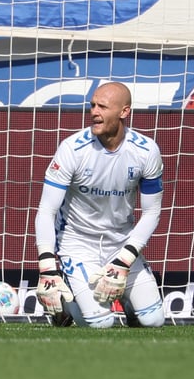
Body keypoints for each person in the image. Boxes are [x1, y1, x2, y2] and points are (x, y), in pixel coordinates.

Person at [34, 81, 166, 328]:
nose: (94, 112)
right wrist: (47, 267)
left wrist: (124, 261)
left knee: (154, 321)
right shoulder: (72, 149)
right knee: (101, 324)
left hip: (121, 243)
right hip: (78, 244)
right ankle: (65, 306)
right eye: (92, 105)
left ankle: (129, 302)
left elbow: (151, 211)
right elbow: (47, 210)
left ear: (124, 112)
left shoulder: (146, 151)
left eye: (102, 107)